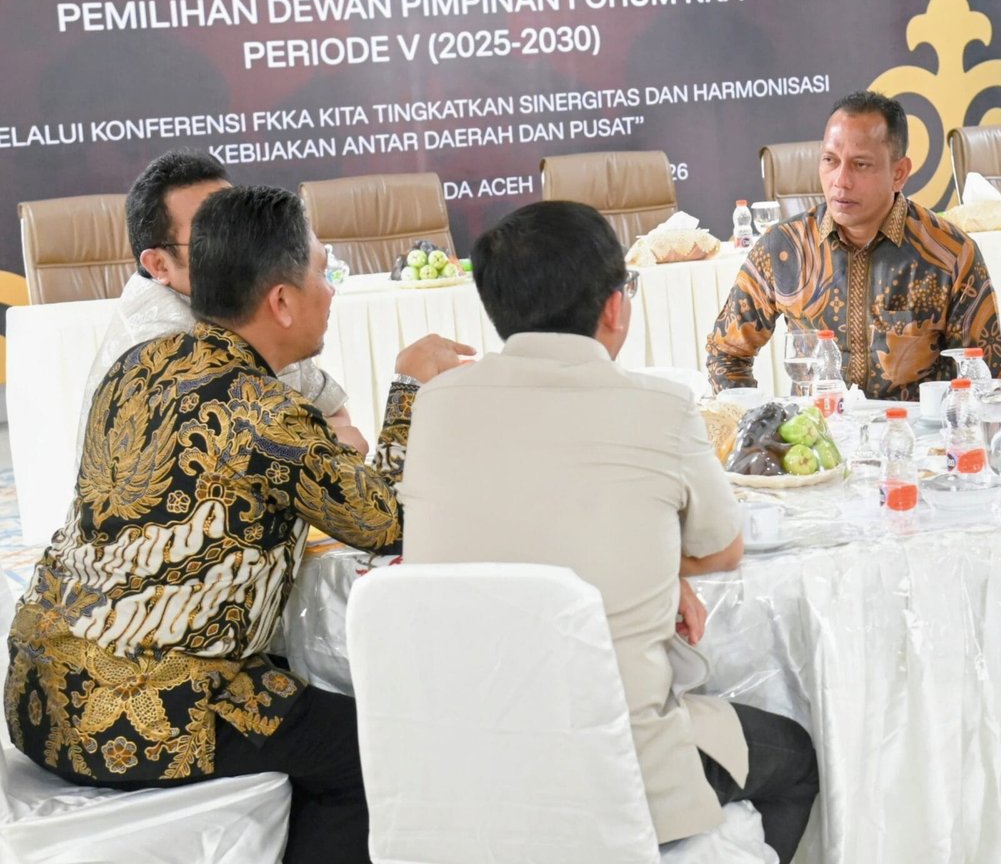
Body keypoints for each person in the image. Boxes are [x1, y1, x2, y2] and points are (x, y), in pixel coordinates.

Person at [5, 185, 474, 863]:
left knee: (303, 690)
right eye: (322, 273)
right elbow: (388, 521)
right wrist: (410, 389)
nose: (331, 292)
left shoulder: (138, 364)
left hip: (37, 690)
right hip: (141, 716)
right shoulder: (264, 414)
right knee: (376, 752)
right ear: (281, 301)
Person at [401, 201, 819, 862]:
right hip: (618, 774)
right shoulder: (659, 405)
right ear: (615, 308)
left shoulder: (435, 404)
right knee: (794, 759)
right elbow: (723, 547)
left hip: (470, 771)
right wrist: (662, 564)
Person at [706, 90, 1001, 400]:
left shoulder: (950, 254)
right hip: (818, 428)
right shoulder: (784, 248)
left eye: (860, 165)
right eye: (830, 161)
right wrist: (761, 420)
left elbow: (985, 379)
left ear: (899, 173)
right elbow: (725, 354)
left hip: (914, 429)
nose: (840, 180)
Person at [78, 149, 365, 454]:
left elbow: (335, 413)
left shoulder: (247, 293)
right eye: (210, 234)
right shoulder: (164, 355)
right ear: (159, 265)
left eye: (237, 224)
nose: (239, 242)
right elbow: (283, 458)